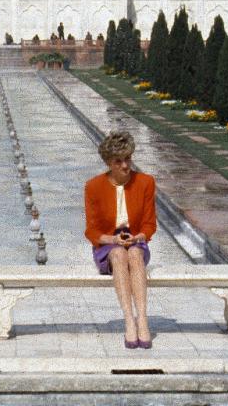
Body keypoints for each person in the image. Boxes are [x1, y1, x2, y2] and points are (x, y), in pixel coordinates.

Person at [84, 130, 157, 349]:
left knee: (134, 253)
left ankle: (142, 319)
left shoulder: (145, 182)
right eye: (119, 161)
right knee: (118, 254)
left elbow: (149, 224)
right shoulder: (94, 187)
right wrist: (113, 240)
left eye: (128, 159)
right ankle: (129, 322)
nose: (125, 165)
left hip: (136, 241)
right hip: (108, 245)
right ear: (108, 163)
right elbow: (92, 231)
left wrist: (139, 236)